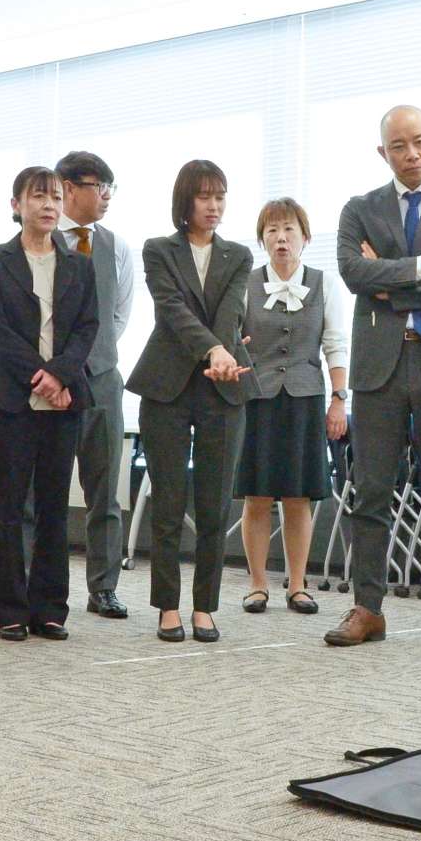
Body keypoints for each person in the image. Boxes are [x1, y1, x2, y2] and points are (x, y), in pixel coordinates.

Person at [326, 105, 421, 653]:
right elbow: (353, 273)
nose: (412, 154)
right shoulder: (359, 210)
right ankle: (368, 607)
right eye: (399, 146)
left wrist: (391, 279)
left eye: (420, 142)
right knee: (370, 492)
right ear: (383, 152)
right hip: (379, 364)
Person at [125, 160, 255, 643]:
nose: (214, 206)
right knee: (168, 501)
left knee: (216, 504)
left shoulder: (239, 255)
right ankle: (167, 607)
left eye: (220, 196)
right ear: (186, 201)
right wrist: (215, 350)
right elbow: (173, 309)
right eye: (204, 197)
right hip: (167, 388)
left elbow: (232, 309)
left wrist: (221, 352)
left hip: (224, 386)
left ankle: (205, 606)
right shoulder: (159, 250)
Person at [0, 166, 98, 642]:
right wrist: (41, 377)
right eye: (37, 197)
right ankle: (8, 606)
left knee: (53, 506)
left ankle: (50, 608)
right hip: (12, 399)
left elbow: (88, 327)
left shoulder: (79, 263)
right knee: (9, 505)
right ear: (16, 205)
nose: (48, 205)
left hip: (65, 399)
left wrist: (61, 375)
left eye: (54, 198)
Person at [25, 150, 133, 620]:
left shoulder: (116, 246)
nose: (106, 195)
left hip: (102, 380)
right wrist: (56, 373)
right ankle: (31, 585)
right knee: (37, 491)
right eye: (98, 185)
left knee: (104, 492)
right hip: (45, 383)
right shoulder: (40, 242)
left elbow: (117, 316)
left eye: (111, 186)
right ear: (68, 189)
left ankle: (103, 587)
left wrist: (89, 364)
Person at [235, 197, 348, 616]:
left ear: (305, 237)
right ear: (261, 238)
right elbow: (232, 342)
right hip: (257, 399)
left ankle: (298, 585)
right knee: (258, 495)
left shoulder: (324, 283)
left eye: (289, 230)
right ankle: (257, 584)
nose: (281, 238)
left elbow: (335, 344)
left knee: (300, 496)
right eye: (272, 230)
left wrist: (338, 399)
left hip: (305, 397)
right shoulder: (245, 284)